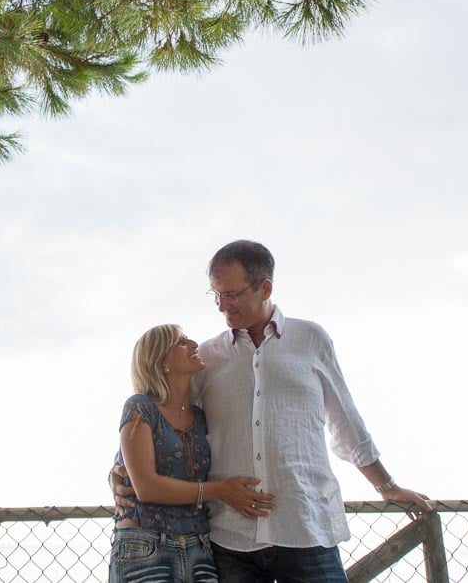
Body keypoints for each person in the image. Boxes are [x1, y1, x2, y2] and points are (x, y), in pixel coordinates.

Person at [114, 241, 431, 583]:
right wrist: (121, 474)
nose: (222, 306)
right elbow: (166, 421)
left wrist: (387, 487)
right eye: (216, 294)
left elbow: (347, 422)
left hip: (304, 526)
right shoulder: (207, 358)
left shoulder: (311, 339)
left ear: (265, 287)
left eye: (232, 294)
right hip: (229, 538)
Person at [110, 323, 275, 583]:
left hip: (199, 547)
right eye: (181, 342)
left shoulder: (199, 416)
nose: (194, 344)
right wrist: (221, 490)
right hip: (146, 545)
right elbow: (146, 488)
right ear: (160, 360)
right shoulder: (140, 407)